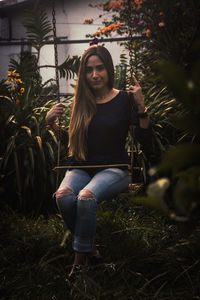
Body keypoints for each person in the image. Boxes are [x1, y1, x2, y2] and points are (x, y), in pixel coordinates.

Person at [45, 44, 152, 277]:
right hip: (82, 166)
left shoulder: (124, 99)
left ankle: (79, 263)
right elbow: (72, 142)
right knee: (63, 197)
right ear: (83, 74)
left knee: (85, 198)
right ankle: (90, 247)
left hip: (115, 169)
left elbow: (146, 139)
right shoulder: (82, 101)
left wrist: (141, 106)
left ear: (108, 69)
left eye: (100, 68)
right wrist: (51, 125)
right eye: (89, 70)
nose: (95, 74)